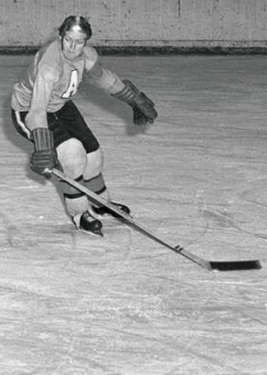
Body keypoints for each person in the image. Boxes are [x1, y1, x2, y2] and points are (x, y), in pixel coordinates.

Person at [9, 15, 158, 236]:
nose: (73, 46)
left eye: (79, 42)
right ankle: (80, 213)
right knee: (72, 155)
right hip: (29, 110)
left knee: (94, 156)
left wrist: (133, 99)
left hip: (60, 106)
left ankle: (101, 202)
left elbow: (105, 79)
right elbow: (37, 111)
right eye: (68, 40)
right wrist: (43, 146)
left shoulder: (87, 56)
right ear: (61, 36)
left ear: (86, 41)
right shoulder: (50, 66)